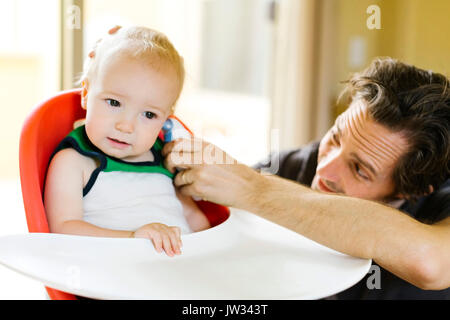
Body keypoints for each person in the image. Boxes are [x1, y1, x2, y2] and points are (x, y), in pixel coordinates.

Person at [163, 58, 450, 298]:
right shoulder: (292, 167)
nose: (325, 169)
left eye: (360, 169)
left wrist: (253, 190)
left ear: (411, 191)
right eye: (335, 138)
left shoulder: (441, 204)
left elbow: (431, 262)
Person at [44, 26, 210, 258]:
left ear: (166, 118)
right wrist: (133, 239)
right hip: (115, 278)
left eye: (149, 115)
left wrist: (214, 248)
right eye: (113, 103)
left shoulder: (164, 158)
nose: (126, 126)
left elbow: (194, 217)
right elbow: (63, 229)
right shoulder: (74, 161)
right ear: (86, 94)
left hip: (181, 272)